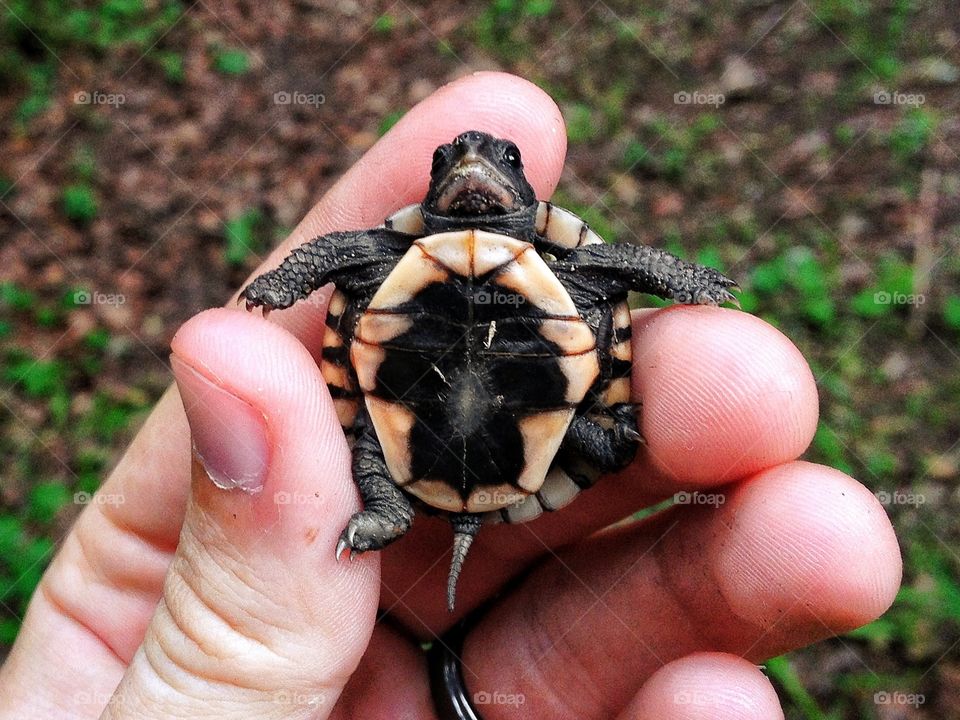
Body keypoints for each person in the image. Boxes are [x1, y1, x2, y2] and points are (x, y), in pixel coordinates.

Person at [0, 72, 901, 720]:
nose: (475, 159)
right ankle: (391, 508)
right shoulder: (384, 252)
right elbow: (334, 260)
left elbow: (617, 269)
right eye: (458, 156)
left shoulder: (561, 261)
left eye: (496, 155)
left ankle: (436, 489)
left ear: (519, 185)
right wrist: (284, 284)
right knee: (378, 449)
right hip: (456, 430)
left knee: (570, 432)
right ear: (434, 187)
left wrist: (683, 278)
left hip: (501, 419)